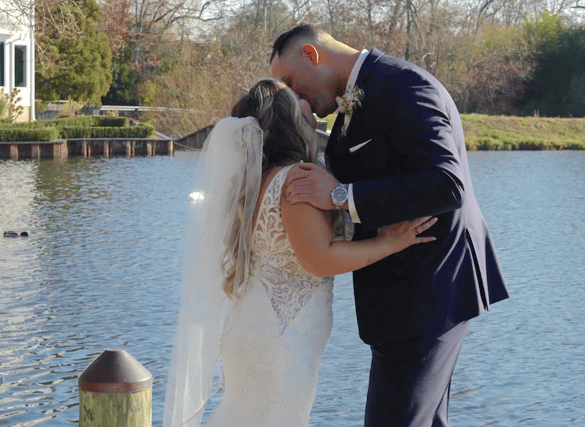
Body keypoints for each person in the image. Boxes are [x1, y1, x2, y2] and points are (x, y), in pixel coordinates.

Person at [270, 24, 510, 427]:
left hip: (431, 286)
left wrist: (341, 195)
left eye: (292, 83)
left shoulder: (404, 85)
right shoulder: (355, 100)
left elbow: (447, 184)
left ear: (312, 55)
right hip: (399, 298)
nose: (296, 97)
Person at [163, 78, 437, 427]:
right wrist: (390, 243)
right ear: (290, 120)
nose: (309, 103)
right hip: (281, 336)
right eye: (299, 99)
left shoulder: (255, 182)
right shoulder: (297, 181)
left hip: (257, 323)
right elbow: (319, 259)